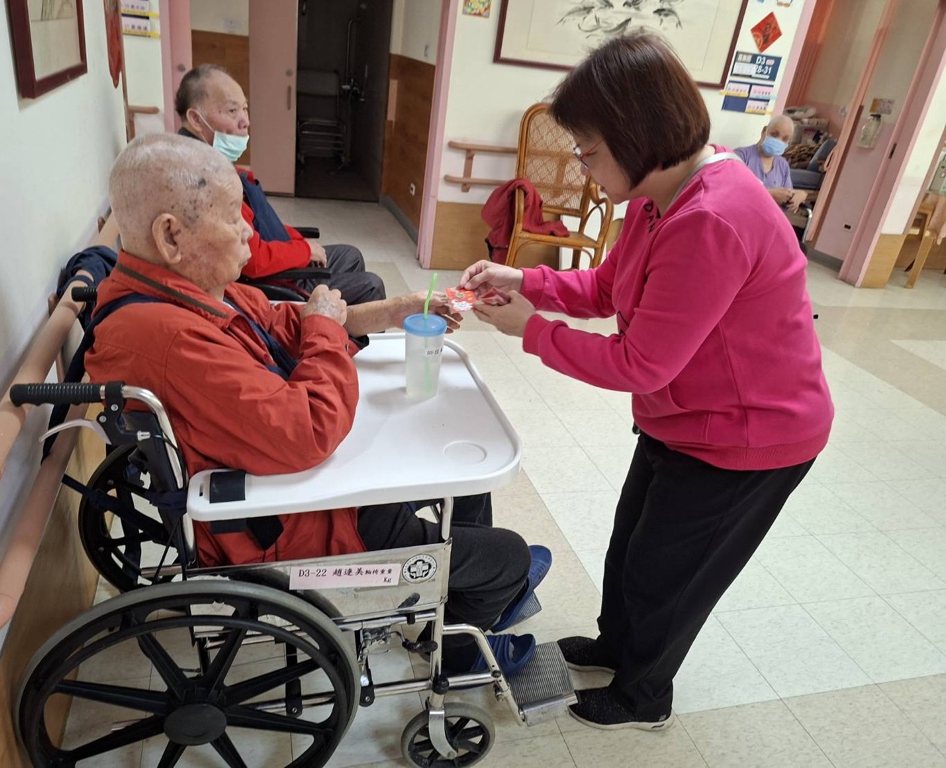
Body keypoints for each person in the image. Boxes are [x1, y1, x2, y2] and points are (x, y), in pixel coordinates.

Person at [460, 33, 833, 730]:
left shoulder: (712, 217)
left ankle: (644, 695)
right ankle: (616, 647)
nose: (584, 165)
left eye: (590, 150)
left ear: (639, 137)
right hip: (684, 414)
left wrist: (530, 330)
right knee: (631, 550)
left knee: (671, 575)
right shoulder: (655, 197)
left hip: (750, 434)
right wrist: (527, 279)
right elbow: (609, 288)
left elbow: (640, 363)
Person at [87, 133, 550, 674]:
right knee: (508, 556)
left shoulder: (185, 290)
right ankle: (460, 654)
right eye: (233, 217)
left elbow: (285, 323)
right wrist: (327, 330)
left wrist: (393, 309)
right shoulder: (170, 338)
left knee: (465, 483)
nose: (248, 231)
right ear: (171, 235)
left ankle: (455, 596)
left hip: (289, 487)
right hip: (291, 523)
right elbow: (308, 431)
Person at [175, 64, 386, 307]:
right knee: (371, 285)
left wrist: (299, 243)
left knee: (351, 255)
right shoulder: (206, 182)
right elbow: (251, 260)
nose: (245, 121)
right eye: (232, 111)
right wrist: (304, 251)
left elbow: (263, 224)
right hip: (275, 281)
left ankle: (341, 324)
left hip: (279, 259)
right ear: (195, 119)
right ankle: (328, 322)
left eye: (245, 109)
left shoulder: (217, 163)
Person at [735, 114, 809, 213]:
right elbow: (732, 191)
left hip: (769, 218)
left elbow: (786, 197)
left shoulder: (782, 165)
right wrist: (769, 194)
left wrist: (800, 195)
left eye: (785, 139)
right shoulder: (741, 156)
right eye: (774, 134)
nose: (778, 140)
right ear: (764, 131)